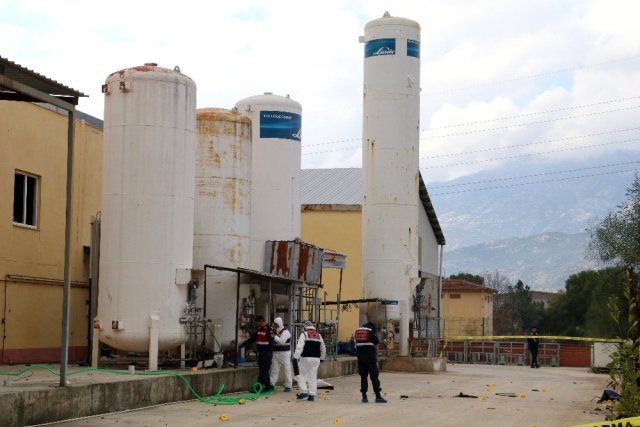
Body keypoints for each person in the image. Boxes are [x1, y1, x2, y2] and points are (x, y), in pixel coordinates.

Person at [239, 315, 275, 391]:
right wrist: (243, 344)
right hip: (261, 353)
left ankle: (259, 386)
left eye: (258, 322)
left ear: (262, 321)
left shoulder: (270, 330)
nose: (257, 324)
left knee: (263, 370)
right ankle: (267, 386)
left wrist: (268, 353)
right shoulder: (259, 330)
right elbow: (252, 339)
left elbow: (272, 342)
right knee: (263, 370)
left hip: (267, 354)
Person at [293, 320, 326, 402]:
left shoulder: (304, 334)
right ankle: (311, 395)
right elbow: (323, 348)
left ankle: (304, 390)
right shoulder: (318, 335)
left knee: (300, 373)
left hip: (305, 358)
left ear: (305, 328)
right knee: (313, 376)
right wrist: (322, 358)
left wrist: (295, 357)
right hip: (316, 359)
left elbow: (300, 346)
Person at [354, 321, 387, 403]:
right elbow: (376, 341)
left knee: (363, 378)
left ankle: (364, 397)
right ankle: (378, 397)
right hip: (370, 359)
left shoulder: (357, 332)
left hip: (361, 359)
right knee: (374, 377)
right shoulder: (369, 331)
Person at [269, 317, 293, 392]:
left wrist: (273, 336)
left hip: (285, 353)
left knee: (287, 369)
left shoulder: (286, 332)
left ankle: (288, 385)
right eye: (274, 324)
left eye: (276, 324)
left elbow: (281, 342)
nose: (275, 326)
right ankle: (271, 385)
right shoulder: (275, 332)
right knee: (274, 370)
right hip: (275, 353)